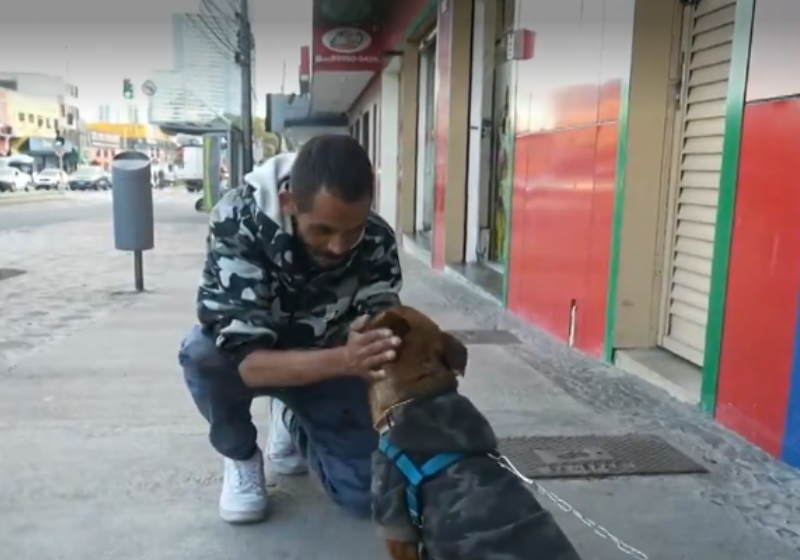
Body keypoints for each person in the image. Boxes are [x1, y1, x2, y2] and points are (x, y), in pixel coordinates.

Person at [178, 135, 403, 524]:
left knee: (369, 495)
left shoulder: (377, 238)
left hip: (329, 365)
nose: (339, 246)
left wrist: (376, 343)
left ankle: (293, 419)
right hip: (280, 359)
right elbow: (247, 362)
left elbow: (380, 330)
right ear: (289, 203)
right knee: (202, 354)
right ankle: (241, 456)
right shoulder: (237, 220)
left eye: (352, 230)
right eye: (323, 230)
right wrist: (347, 358)